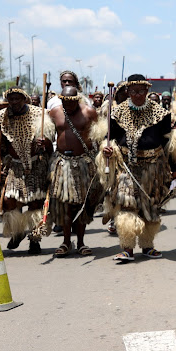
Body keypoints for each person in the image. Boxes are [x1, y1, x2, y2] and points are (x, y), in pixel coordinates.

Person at [98, 74, 176, 262]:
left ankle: (147, 245)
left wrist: (175, 169)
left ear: (147, 91)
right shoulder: (116, 113)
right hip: (126, 167)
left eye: (141, 91)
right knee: (126, 205)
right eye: (133, 91)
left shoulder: (160, 113)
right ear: (127, 92)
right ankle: (127, 248)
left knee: (150, 207)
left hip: (153, 168)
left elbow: (168, 144)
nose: (137, 94)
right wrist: (107, 151)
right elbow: (110, 139)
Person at [0, 88, 55, 254]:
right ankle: (17, 233)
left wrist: (44, 143)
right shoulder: (0, 117)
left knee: (36, 203)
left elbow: (51, 142)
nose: (14, 102)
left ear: (25, 99)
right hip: (14, 165)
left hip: (36, 164)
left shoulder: (40, 115)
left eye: (18, 99)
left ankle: (34, 239)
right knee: (10, 201)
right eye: (11, 99)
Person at [47, 87, 102, 257]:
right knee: (64, 204)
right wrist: (44, 144)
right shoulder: (54, 112)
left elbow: (99, 137)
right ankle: (65, 242)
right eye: (65, 101)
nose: (68, 105)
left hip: (83, 162)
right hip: (62, 162)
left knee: (82, 205)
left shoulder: (90, 112)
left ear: (77, 99)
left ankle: (80, 242)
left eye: (71, 101)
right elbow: (49, 136)